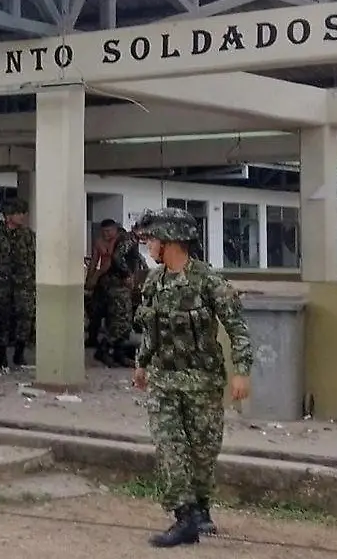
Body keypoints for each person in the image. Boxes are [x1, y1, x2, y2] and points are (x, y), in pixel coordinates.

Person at [131, 208, 253, 548]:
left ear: (171, 240)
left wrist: (241, 372)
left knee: (202, 451)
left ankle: (200, 509)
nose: (149, 245)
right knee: (169, 446)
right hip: (164, 381)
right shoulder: (154, 281)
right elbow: (151, 330)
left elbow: (238, 329)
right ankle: (184, 518)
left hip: (202, 382)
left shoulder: (209, 282)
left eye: (153, 239)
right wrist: (141, 364)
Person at [0, 199, 36, 368]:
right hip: (1, 284)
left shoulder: (28, 235)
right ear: (8, 215)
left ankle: (19, 354)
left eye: (24, 213)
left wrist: (32, 279)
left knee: (24, 318)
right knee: (1, 319)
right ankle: (1, 356)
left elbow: (34, 258)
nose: (23, 216)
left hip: (23, 284)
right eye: (19, 213)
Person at [85, 219, 140, 367]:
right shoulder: (126, 240)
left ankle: (117, 353)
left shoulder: (122, 239)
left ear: (115, 229)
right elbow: (105, 261)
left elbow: (124, 261)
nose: (106, 234)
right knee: (113, 319)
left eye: (109, 231)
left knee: (120, 320)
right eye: (104, 231)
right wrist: (91, 279)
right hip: (112, 283)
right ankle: (102, 348)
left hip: (115, 282)